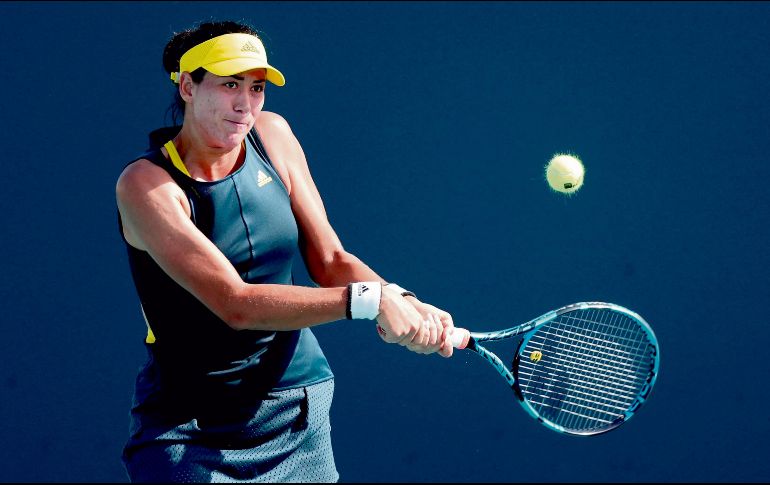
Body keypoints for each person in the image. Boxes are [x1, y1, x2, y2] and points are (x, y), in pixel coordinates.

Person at [115, 20, 461, 483]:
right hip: (189, 429)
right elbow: (234, 304)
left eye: (256, 87)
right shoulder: (145, 185)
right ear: (187, 86)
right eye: (229, 84)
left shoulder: (272, 134)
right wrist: (369, 302)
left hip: (295, 407)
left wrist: (403, 299)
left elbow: (331, 261)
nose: (245, 103)